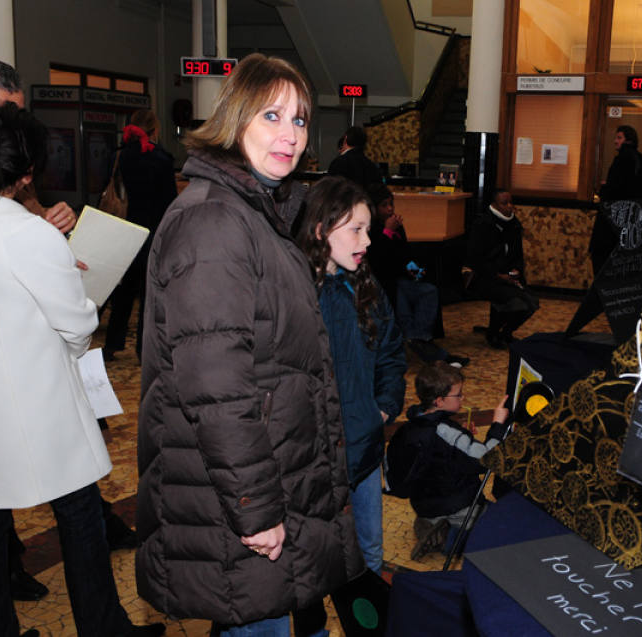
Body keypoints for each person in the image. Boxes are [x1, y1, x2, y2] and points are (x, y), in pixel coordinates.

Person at [136, 54, 363, 637]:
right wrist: (255, 509)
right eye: (272, 116)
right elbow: (217, 390)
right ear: (236, 118)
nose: (291, 135)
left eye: (300, 119)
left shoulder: (253, 211)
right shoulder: (214, 222)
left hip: (265, 482)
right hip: (238, 503)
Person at [0, 103, 164, 637]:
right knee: (80, 517)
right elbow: (77, 326)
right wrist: (70, 278)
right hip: (40, 403)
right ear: (28, 171)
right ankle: (104, 628)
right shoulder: (30, 233)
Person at [297, 176, 407, 575]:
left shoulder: (365, 286)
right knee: (310, 564)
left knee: (369, 555)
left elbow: (391, 351)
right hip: (311, 459)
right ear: (321, 230)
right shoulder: (292, 292)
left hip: (363, 448)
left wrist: (383, 408)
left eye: (368, 229)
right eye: (357, 230)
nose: (368, 241)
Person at [386, 363, 510, 559]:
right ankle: (448, 539)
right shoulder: (446, 432)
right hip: (457, 504)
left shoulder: (408, 427)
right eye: (458, 395)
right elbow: (487, 459)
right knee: (503, 525)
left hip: (424, 504)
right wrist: (497, 425)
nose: (463, 398)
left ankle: (428, 525)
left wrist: (461, 438)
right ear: (439, 401)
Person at [0, 58, 77, 233]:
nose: (11, 124)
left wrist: (57, 219)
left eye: (16, 114)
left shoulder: (15, 162)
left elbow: (29, 217)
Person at [366, 182, 469, 367]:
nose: (390, 209)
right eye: (384, 205)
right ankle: (425, 347)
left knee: (429, 290)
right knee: (401, 301)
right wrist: (387, 232)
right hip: (381, 282)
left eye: (391, 204)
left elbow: (404, 255)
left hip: (400, 278)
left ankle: (419, 338)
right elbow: (377, 262)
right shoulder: (369, 229)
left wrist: (416, 271)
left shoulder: (397, 227)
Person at [103, 109, 177, 361]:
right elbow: (170, 201)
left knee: (123, 291)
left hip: (125, 230)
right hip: (153, 231)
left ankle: (112, 344)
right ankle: (143, 348)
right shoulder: (162, 159)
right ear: (155, 130)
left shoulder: (119, 156)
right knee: (148, 295)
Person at [466, 189, 540, 348]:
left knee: (532, 303)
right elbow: (475, 259)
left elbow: (518, 255)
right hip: (485, 277)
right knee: (517, 303)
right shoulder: (483, 224)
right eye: (504, 203)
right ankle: (493, 333)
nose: (509, 206)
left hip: (508, 277)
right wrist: (498, 275)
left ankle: (505, 333)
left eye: (511, 202)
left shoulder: (514, 224)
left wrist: (516, 271)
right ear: (494, 205)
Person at [590, 124, 642, 273]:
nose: (615, 141)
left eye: (619, 137)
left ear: (628, 140)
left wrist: (603, 189)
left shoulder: (620, 160)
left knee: (603, 260)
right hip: (635, 222)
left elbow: (614, 190)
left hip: (614, 222)